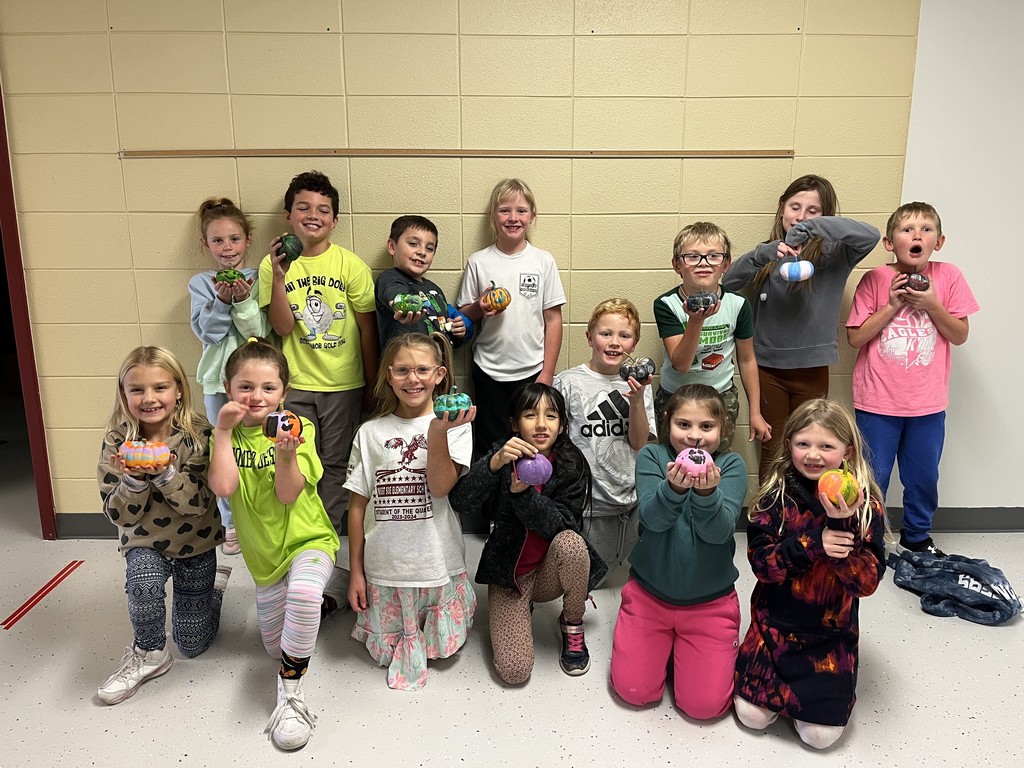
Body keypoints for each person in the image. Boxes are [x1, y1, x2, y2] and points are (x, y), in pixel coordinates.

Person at [208, 338, 340, 751]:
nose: (256, 396)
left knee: (300, 599)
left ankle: (290, 694)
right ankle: (326, 599)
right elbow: (224, 486)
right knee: (273, 645)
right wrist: (223, 431)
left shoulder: (300, 430)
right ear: (228, 389)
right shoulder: (226, 435)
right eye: (245, 387)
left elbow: (288, 495)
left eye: (268, 388)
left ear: (284, 393)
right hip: (265, 557)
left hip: (309, 540)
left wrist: (286, 456)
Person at [733, 399, 886, 750]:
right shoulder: (774, 498)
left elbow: (866, 584)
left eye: (826, 446)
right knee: (751, 717)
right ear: (789, 446)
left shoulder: (866, 507)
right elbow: (761, 567)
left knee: (819, 738)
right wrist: (813, 542)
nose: (813, 455)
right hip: (773, 629)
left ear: (847, 451)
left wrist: (839, 533)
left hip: (828, 640)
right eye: (803, 444)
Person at [258, 170, 378, 605]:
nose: (313, 215)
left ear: (335, 219)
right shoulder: (272, 264)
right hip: (295, 386)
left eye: (323, 210)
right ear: (289, 215)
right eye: (304, 208)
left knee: (334, 465)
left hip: (344, 385)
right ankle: (300, 546)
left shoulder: (350, 265)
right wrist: (276, 275)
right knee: (296, 462)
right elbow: (281, 325)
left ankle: (325, 548)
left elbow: (367, 330)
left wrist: (370, 383)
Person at [722, 175, 880, 481]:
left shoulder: (837, 254)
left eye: (813, 210)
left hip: (812, 367)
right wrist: (764, 253)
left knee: (811, 449)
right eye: (795, 207)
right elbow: (728, 284)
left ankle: (803, 518)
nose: (801, 215)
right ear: (782, 209)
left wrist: (813, 228)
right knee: (773, 450)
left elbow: (870, 235)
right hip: (767, 369)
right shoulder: (769, 254)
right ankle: (771, 518)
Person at [97, 346, 230, 705]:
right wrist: (135, 482)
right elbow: (118, 515)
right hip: (145, 541)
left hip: (196, 542)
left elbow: (200, 504)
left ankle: (213, 592)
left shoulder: (198, 435)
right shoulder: (117, 441)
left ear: (179, 390)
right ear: (123, 393)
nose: (149, 398)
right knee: (143, 587)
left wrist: (167, 474)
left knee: (193, 644)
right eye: (136, 389)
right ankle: (150, 653)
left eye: (160, 387)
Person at [450, 383, 607, 683]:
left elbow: (562, 526)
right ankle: (521, 609)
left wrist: (521, 495)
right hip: (512, 575)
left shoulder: (571, 464)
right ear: (514, 423)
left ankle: (572, 623)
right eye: (530, 414)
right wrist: (493, 465)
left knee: (572, 545)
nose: (540, 424)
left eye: (551, 416)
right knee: (514, 672)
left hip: (551, 571)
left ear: (561, 425)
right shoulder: (503, 455)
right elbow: (461, 501)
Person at [345, 333, 477, 691]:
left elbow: (439, 486)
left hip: (435, 560)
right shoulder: (369, 432)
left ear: (439, 374)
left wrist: (437, 430)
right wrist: (356, 571)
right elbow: (357, 507)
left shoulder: (456, 425)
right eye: (402, 370)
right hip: (384, 564)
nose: (412, 379)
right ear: (389, 375)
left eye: (422, 369)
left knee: (442, 648)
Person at [846, 202, 978, 557]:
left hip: (927, 402)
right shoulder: (875, 279)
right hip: (876, 400)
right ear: (890, 243)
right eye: (907, 229)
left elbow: (960, 334)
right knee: (873, 476)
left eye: (926, 229)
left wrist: (933, 305)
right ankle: (867, 538)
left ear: (940, 240)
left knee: (923, 476)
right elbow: (855, 339)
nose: (916, 235)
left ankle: (917, 536)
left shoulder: (948, 276)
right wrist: (890, 306)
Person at [610, 384, 747, 719]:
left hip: (709, 603)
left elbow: (719, 532)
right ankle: (663, 649)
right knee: (633, 692)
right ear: (668, 421)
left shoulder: (730, 466)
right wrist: (673, 489)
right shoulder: (652, 457)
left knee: (704, 707)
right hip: (650, 596)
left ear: (723, 429)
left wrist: (706, 495)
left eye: (706, 427)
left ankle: (686, 652)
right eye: (684, 425)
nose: (694, 437)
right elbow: (652, 520)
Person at [457, 179, 566, 461]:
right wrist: (479, 307)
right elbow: (463, 317)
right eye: (505, 210)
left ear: (532, 216)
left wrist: (547, 373)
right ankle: (492, 504)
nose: (513, 218)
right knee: (490, 448)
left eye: (521, 211)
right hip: (488, 370)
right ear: (494, 215)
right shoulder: (479, 261)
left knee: (533, 446)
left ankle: (526, 500)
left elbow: (553, 320)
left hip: (532, 370)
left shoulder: (543, 261)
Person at [553, 298, 656, 582]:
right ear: (589, 337)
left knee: (629, 576)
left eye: (624, 336)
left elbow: (639, 443)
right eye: (605, 333)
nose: (614, 342)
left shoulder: (640, 384)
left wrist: (636, 401)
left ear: (634, 344)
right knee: (590, 582)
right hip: (587, 500)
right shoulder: (567, 382)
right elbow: (555, 442)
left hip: (627, 496)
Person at [188, 197, 269, 555]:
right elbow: (208, 333)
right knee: (223, 448)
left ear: (247, 240)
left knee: (258, 446)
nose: (227, 248)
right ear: (205, 245)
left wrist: (243, 300)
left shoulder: (258, 277)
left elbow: (258, 332)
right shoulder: (201, 284)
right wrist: (221, 301)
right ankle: (230, 523)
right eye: (218, 241)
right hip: (216, 382)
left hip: (254, 380)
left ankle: (261, 514)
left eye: (234, 239)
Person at [654, 222, 770, 451]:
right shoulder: (666, 304)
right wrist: (696, 321)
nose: (703, 264)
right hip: (675, 396)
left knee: (715, 464)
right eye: (692, 257)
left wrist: (755, 412)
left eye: (713, 256)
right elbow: (681, 363)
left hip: (720, 396)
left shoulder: (737, 304)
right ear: (677, 265)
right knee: (672, 464)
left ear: (725, 264)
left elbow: (747, 360)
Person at [374, 214, 473, 350]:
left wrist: (457, 333)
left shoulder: (435, 290)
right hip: (407, 368)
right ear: (392, 246)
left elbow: (449, 341)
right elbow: (393, 293)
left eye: (429, 248)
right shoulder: (389, 278)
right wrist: (400, 304)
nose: (422, 252)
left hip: (438, 368)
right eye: (413, 244)